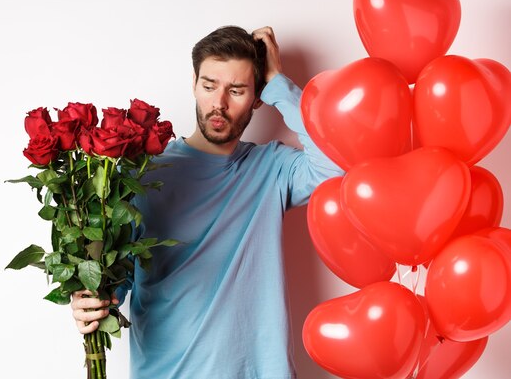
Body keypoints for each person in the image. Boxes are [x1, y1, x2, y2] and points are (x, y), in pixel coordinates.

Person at [71, 25, 343, 378]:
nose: (219, 103)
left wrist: (277, 80)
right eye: (209, 85)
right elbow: (115, 282)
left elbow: (336, 164)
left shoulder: (272, 168)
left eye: (237, 90)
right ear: (194, 84)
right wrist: (89, 304)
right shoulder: (142, 174)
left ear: (258, 97)